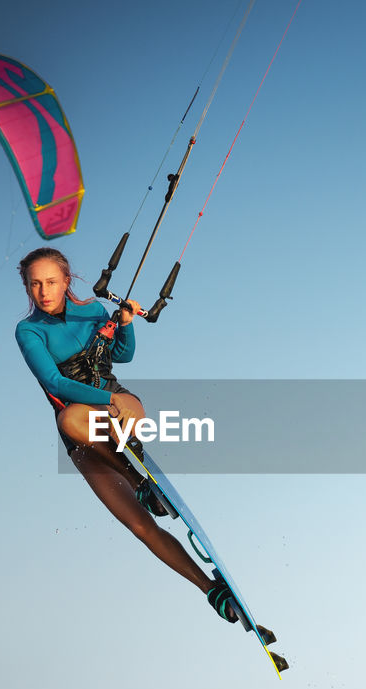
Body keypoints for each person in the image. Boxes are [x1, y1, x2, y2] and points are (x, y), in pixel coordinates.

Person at [14, 247, 238, 623]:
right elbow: (54, 381)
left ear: (66, 281)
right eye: (35, 284)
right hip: (85, 432)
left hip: (121, 410)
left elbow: (123, 355)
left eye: (51, 282)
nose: (44, 291)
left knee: (74, 419)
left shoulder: (94, 312)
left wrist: (126, 323)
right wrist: (107, 399)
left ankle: (141, 482)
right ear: (26, 288)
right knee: (138, 524)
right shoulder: (28, 330)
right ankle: (210, 589)